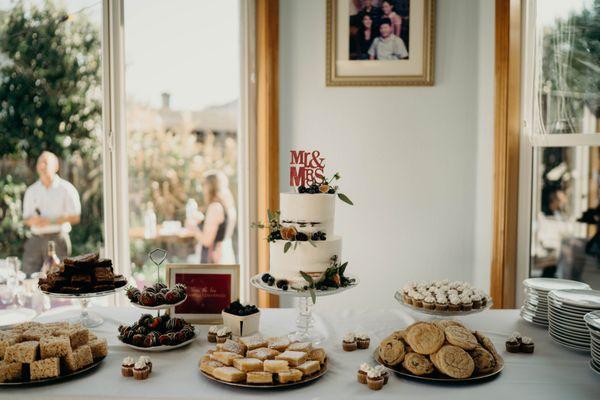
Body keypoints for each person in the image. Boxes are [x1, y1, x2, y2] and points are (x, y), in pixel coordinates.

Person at [22, 151, 81, 276]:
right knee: (29, 276)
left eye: (46, 162)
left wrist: (50, 221)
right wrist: (34, 221)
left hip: (58, 240)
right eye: (40, 162)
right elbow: (26, 219)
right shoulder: (31, 190)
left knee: (60, 279)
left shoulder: (67, 188)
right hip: (36, 240)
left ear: (56, 166)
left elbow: (76, 217)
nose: (42, 166)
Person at [188, 171, 237, 264]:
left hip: (213, 259)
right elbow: (221, 230)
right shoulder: (229, 206)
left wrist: (193, 227)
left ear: (209, 187)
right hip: (225, 255)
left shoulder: (215, 207)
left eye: (204, 184)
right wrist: (203, 220)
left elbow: (207, 241)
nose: (202, 188)